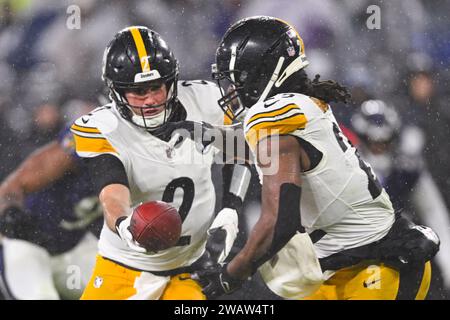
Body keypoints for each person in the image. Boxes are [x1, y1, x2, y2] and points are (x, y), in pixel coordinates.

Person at [194, 16, 440, 300]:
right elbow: (253, 151)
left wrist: (230, 274)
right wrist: (192, 133)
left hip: (380, 265)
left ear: (263, 73)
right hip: (340, 267)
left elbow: (279, 223)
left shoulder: (274, 120)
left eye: (237, 78)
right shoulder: (295, 107)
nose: (231, 89)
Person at [71, 26, 249, 300]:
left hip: (190, 270)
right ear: (117, 92)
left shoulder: (206, 99)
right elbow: (110, 187)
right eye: (138, 91)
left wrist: (231, 210)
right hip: (123, 268)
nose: (151, 99)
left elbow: (242, 152)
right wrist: (124, 224)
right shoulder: (103, 126)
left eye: (156, 87)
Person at [351, 99, 450, 297]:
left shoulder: (406, 169)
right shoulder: (347, 166)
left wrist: (448, 265)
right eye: (374, 142)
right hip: (352, 248)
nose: (379, 147)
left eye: (384, 142)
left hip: (398, 251)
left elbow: (434, 213)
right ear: (363, 137)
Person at [0, 127, 102, 300]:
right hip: (28, 244)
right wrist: (11, 216)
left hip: (74, 248)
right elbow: (13, 187)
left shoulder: (147, 160)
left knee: (136, 289)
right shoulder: (91, 139)